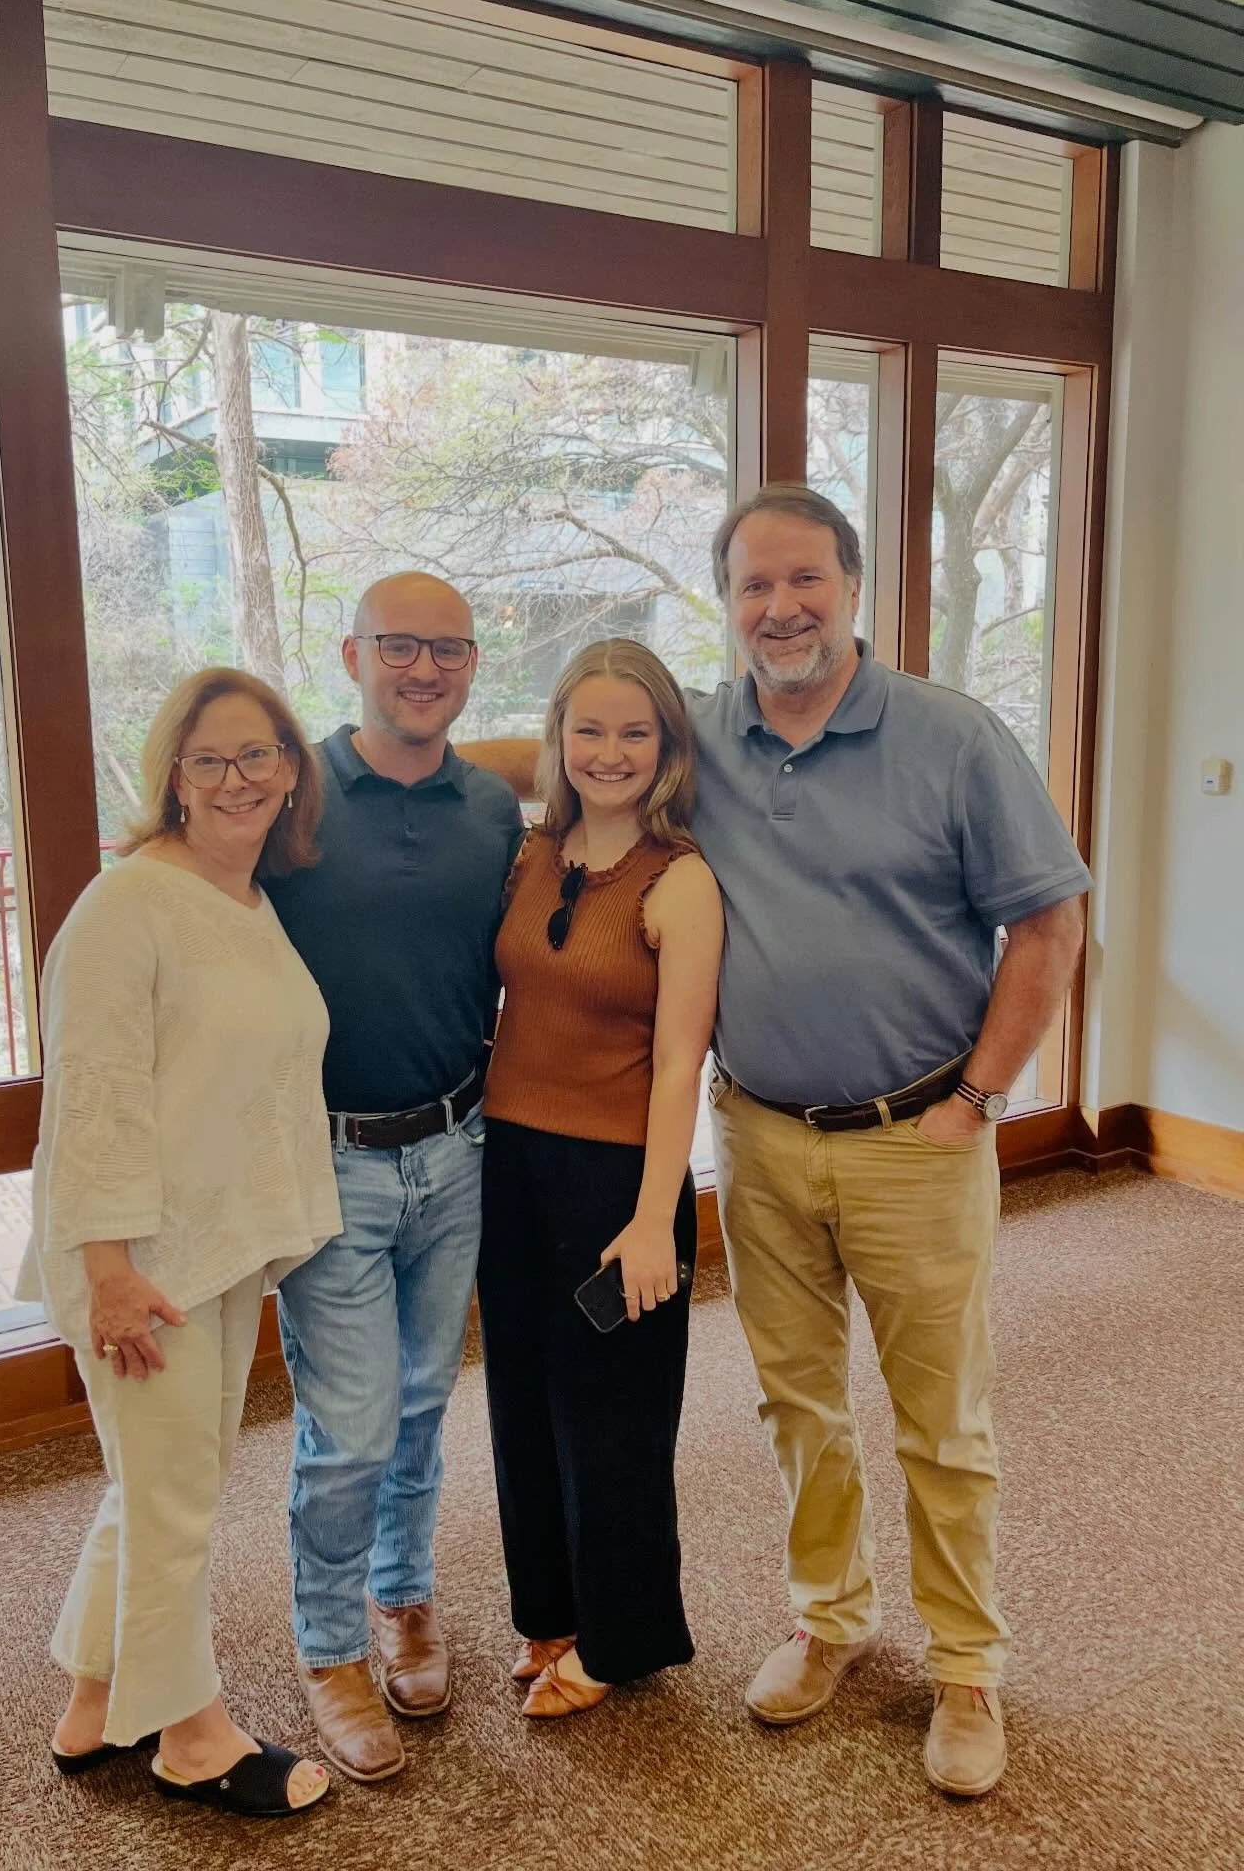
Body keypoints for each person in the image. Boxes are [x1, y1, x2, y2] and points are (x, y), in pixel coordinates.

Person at [464, 483, 1090, 1797]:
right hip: (756, 1135)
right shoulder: (703, 737)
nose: (780, 607)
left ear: (853, 586)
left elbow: (1046, 929)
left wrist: (978, 1099)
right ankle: (831, 1619)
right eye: (753, 586)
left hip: (917, 1134)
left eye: (804, 579)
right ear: (728, 602)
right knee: (798, 1405)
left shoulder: (953, 739)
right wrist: (361, 763)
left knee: (940, 1422)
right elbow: (587, 746)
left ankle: (967, 1666)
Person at [17, 666, 340, 1820]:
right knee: (174, 1499)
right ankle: (191, 1734)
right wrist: (106, 1273)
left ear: (294, 769)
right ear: (173, 778)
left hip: (218, 1241)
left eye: (261, 755)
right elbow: (93, 1096)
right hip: (136, 1260)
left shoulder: (251, 899)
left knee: (161, 1482)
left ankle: (95, 1698)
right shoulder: (128, 905)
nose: (240, 777)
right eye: (211, 759)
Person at [265, 572, 523, 1783]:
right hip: (324, 1161)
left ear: (474, 664)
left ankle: (403, 1595)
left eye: (449, 650)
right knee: (351, 1424)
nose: (424, 670)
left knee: (424, 1401)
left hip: (458, 1147)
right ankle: (327, 1649)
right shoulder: (290, 794)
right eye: (400, 648)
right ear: (353, 651)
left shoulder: (493, 808)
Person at [478, 640, 722, 1718]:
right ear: (558, 739)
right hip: (511, 1165)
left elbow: (681, 1065)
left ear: (668, 746)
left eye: (636, 732)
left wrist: (655, 1218)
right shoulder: (532, 851)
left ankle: (624, 1638)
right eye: (589, 729)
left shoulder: (683, 880)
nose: (610, 752)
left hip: (621, 1178)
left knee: (613, 1419)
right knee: (521, 1403)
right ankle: (553, 1616)